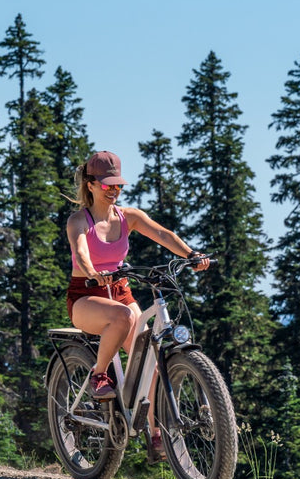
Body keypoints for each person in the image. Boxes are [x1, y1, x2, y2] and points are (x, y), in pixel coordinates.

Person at [65, 150, 210, 461]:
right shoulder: (79, 219)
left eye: (118, 185)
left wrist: (191, 256)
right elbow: (81, 250)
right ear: (90, 185)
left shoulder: (128, 217)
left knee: (152, 361)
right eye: (107, 186)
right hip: (86, 295)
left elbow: (162, 234)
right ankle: (99, 375)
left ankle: (156, 434)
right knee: (120, 317)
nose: (114, 191)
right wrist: (93, 273)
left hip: (120, 290)